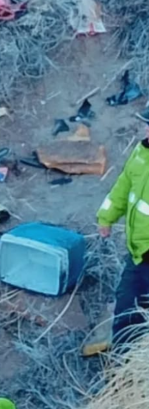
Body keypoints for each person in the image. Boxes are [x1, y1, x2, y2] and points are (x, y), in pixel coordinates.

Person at [97, 107, 149, 347]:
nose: (146, 129)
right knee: (126, 305)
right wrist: (106, 217)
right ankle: (121, 367)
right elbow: (123, 186)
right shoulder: (141, 152)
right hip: (138, 253)